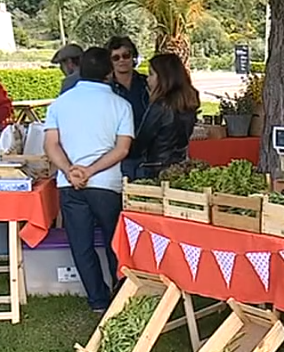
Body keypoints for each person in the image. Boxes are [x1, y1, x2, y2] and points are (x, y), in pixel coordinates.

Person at [43, 47, 134, 313]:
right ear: (109, 72)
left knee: (81, 244)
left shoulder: (60, 103)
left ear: (80, 69)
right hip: (107, 183)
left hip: (69, 183)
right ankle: (121, 295)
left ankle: (97, 299)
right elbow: (122, 150)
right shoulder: (121, 105)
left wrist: (71, 170)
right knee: (114, 242)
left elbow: (51, 145)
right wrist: (91, 171)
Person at [129, 54, 200, 179]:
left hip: (154, 168)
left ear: (163, 78)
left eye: (151, 74)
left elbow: (140, 143)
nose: (147, 79)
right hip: (179, 165)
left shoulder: (160, 106)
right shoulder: (188, 102)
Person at [105, 36, 150, 179]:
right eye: (115, 58)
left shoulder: (147, 83)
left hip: (148, 152)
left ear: (133, 57)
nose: (122, 60)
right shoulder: (106, 88)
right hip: (118, 154)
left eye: (126, 55)